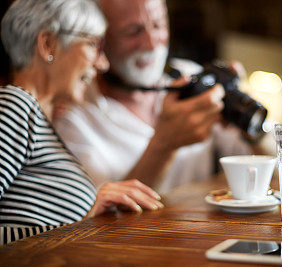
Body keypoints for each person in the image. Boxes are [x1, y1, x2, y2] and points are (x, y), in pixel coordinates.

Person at [0, 0, 163, 245]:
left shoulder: (35, 118)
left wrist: (90, 211)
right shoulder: (16, 105)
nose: (103, 63)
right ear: (48, 44)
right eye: (93, 44)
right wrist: (74, 225)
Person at [54, 0, 257, 194]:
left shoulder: (191, 78)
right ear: (100, 41)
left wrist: (250, 121)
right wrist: (164, 144)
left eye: (158, 25)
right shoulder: (73, 116)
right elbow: (99, 220)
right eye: (133, 31)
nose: (151, 44)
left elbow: (261, 165)